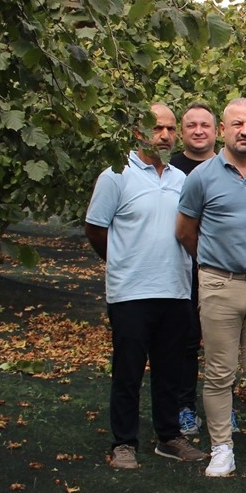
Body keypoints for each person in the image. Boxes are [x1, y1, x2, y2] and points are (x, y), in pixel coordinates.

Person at [84, 103, 207, 469]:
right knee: (128, 371)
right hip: (131, 292)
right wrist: (122, 260)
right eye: (158, 128)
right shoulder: (116, 175)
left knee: (171, 371)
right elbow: (95, 228)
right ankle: (123, 443)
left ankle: (168, 437)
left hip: (175, 290)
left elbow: (189, 230)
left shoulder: (181, 180)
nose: (165, 135)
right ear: (138, 132)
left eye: (170, 129)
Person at [176, 98, 246, 478]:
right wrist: (215, 262)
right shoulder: (202, 177)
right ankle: (221, 447)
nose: (245, 131)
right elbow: (185, 231)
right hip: (219, 284)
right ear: (223, 130)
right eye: (237, 124)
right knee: (221, 372)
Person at [169, 102, 220, 437]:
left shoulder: (230, 166)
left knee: (223, 343)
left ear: (217, 131)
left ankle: (222, 411)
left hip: (224, 270)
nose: (199, 130)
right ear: (181, 133)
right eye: (191, 125)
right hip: (180, 270)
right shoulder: (170, 170)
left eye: (205, 125)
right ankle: (184, 407)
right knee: (185, 341)